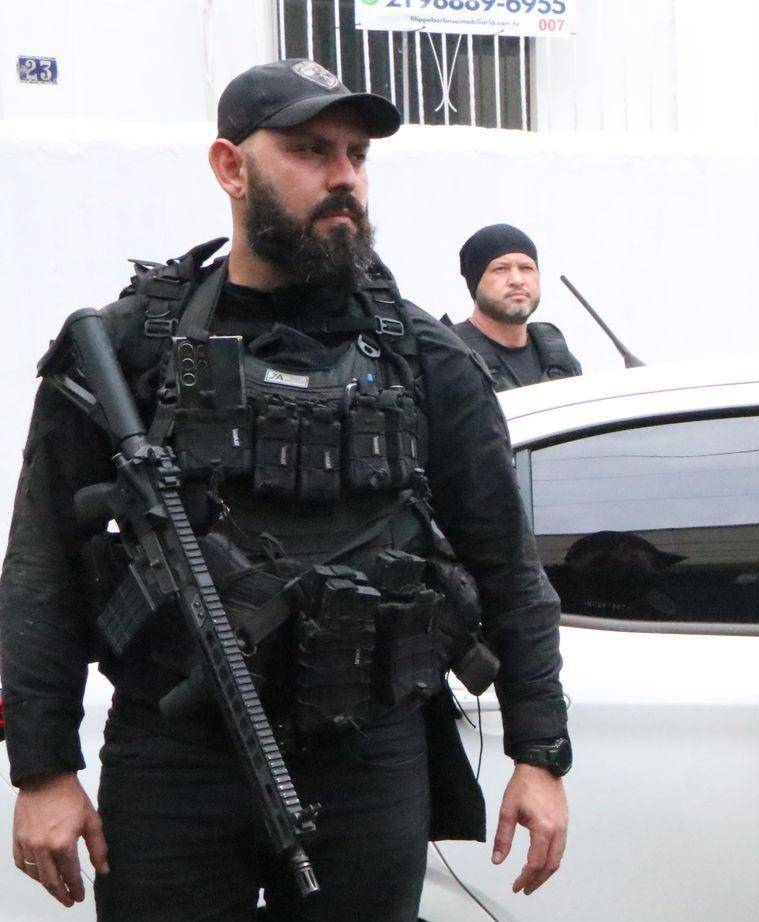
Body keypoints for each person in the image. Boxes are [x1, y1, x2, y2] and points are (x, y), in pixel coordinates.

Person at [1, 59, 570, 920]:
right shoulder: (127, 350)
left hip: (369, 755)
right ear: (230, 167)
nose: (343, 176)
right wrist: (42, 767)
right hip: (175, 756)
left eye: (356, 153)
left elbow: (506, 562)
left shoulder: (425, 358)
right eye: (310, 150)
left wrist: (540, 752)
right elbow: (42, 563)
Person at [449, 223, 582, 391]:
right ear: (475, 282)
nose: (517, 280)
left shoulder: (561, 359)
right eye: (500, 269)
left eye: (526, 268)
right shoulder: (452, 357)